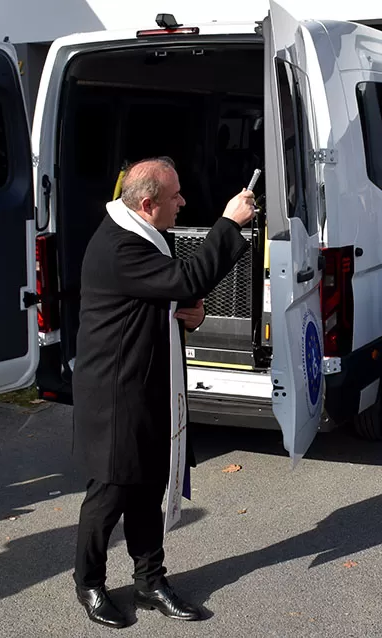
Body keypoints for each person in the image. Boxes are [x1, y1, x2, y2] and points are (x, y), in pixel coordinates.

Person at [72, 157, 256, 628]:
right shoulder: (119, 245)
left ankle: (150, 580)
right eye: (175, 196)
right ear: (149, 203)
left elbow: (170, 296)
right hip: (116, 392)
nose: (183, 202)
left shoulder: (143, 232)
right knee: (110, 493)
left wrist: (191, 314)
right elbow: (185, 280)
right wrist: (228, 224)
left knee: (148, 488)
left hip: (150, 382)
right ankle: (89, 584)